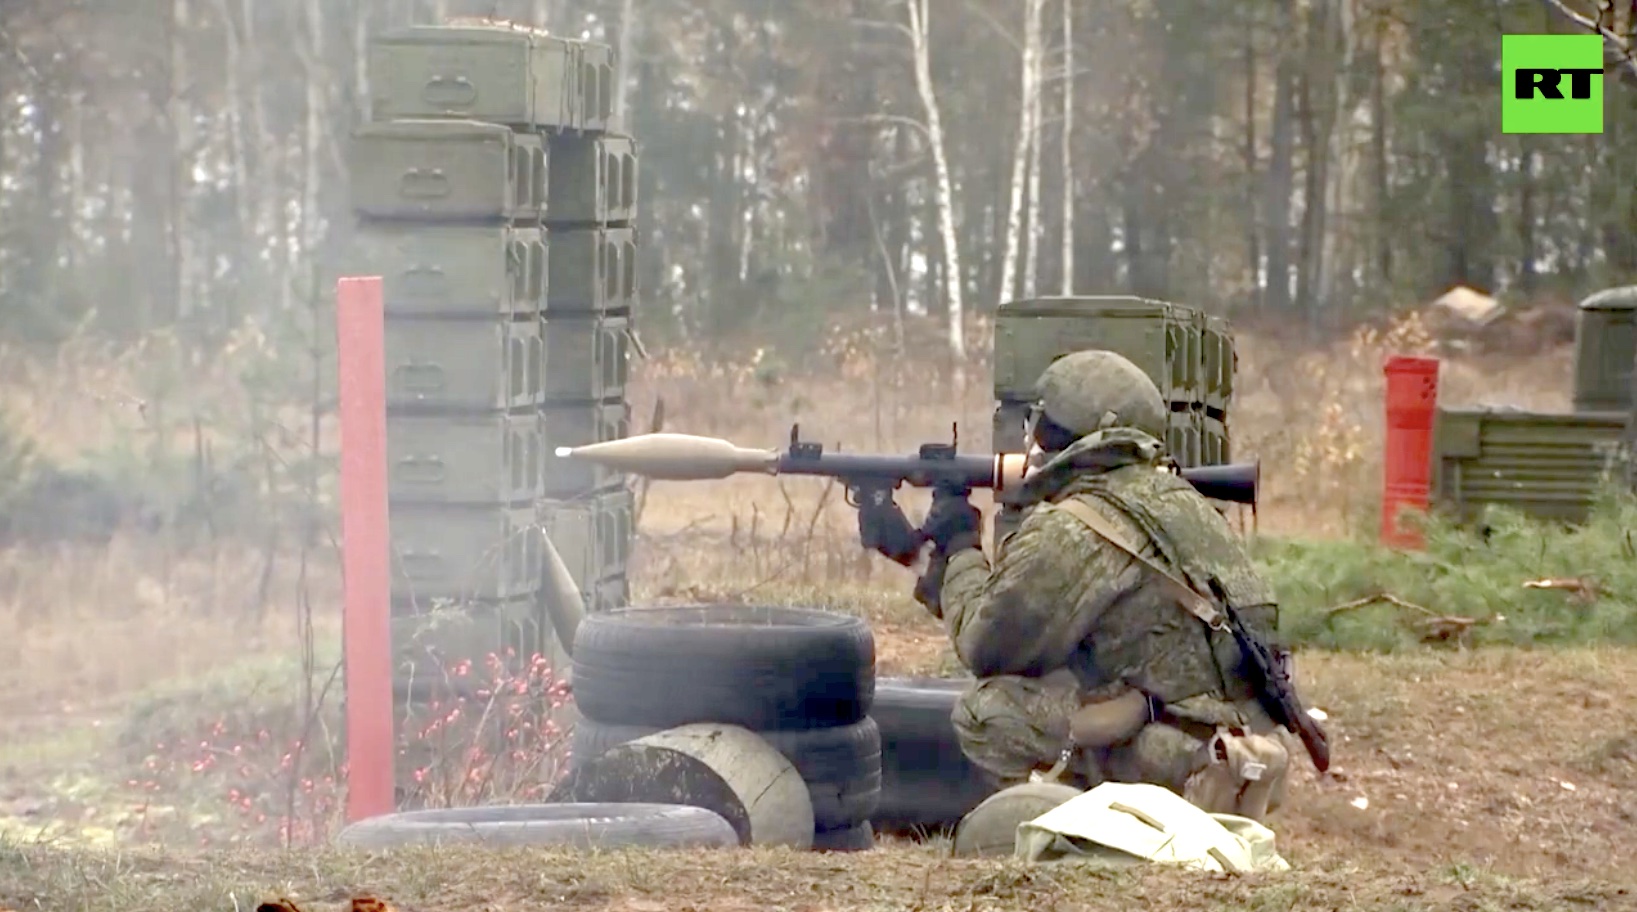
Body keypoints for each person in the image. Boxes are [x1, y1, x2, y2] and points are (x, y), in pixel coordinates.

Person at [859, 349, 1325, 822]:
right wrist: (928, 564)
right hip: (1245, 753)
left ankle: (1085, 831)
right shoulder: (1183, 504)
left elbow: (988, 646)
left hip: (1185, 762)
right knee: (1063, 681)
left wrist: (960, 544)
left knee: (990, 712)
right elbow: (1038, 628)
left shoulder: (1075, 526)